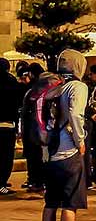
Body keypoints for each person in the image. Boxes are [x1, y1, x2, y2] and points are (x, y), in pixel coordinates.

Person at [43, 49, 89, 221]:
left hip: (49, 150)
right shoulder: (77, 87)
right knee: (70, 203)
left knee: (51, 202)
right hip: (69, 151)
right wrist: (80, 141)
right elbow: (76, 115)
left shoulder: (51, 85)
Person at [21, 62, 46, 192]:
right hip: (39, 128)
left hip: (33, 128)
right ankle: (36, 181)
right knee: (37, 155)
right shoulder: (44, 87)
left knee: (34, 156)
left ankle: (35, 181)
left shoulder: (34, 89)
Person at [0, 57, 22, 195]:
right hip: (7, 125)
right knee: (6, 157)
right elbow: (17, 103)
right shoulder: (11, 81)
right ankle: (1, 184)